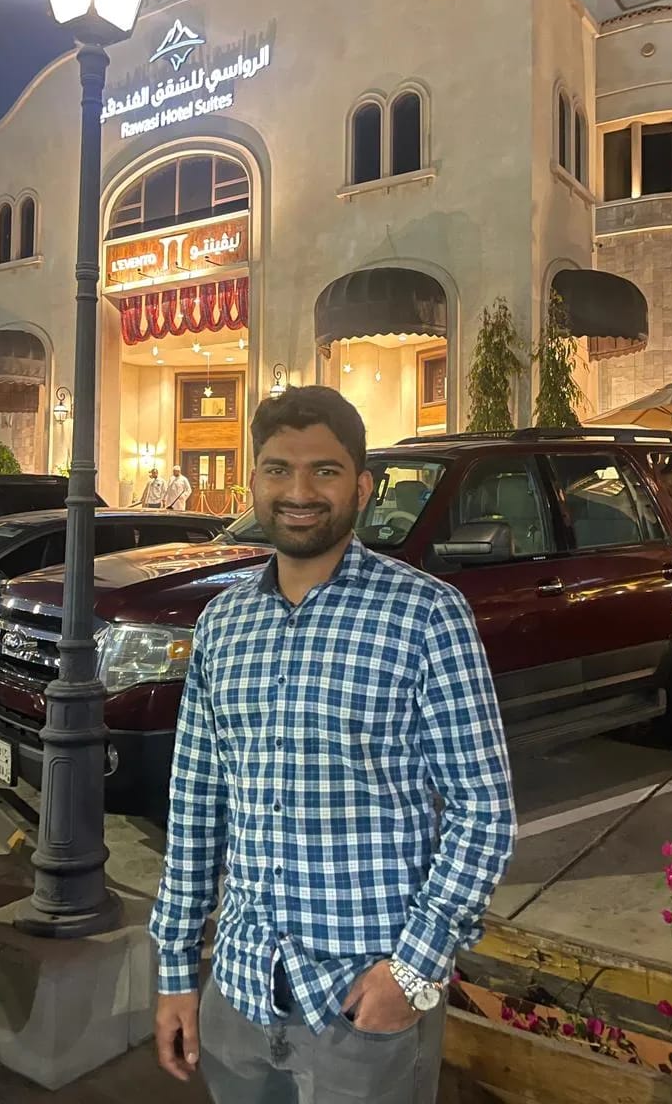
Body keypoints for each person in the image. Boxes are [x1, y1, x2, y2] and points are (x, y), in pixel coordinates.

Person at [151, 385, 516, 1104]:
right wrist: (174, 971)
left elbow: (484, 811)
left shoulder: (426, 615)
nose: (299, 491)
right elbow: (196, 806)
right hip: (240, 991)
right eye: (278, 469)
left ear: (363, 487)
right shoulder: (223, 624)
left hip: (364, 1004)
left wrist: (411, 972)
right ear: (252, 480)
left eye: (324, 470)